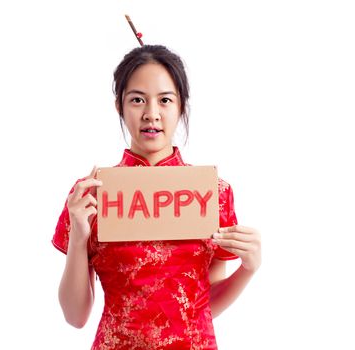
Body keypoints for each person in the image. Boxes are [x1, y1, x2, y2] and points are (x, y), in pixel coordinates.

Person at [52, 44, 261, 349]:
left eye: (165, 100)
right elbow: (75, 316)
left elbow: (204, 305)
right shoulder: (91, 195)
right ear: (119, 106)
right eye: (137, 100)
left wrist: (248, 269)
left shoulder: (212, 193)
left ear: (181, 107)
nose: (151, 114)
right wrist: (79, 237)